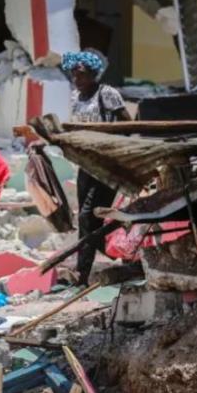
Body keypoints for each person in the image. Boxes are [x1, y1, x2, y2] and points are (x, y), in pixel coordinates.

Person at [61, 50, 131, 286]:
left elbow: (128, 124)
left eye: (80, 74)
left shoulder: (107, 94)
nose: (76, 79)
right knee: (86, 218)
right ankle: (111, 255)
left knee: (88, 215)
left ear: (93, 74)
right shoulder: (75, 98)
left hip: (105, 165)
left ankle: (82, 273)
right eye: (73, 75)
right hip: (85, 165)